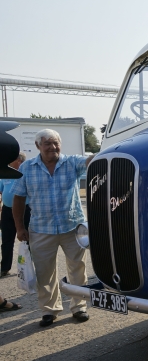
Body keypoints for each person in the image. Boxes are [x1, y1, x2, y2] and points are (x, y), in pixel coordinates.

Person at [12, 129, 94, 327]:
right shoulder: (27, 168)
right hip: (40, 229)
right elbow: (18, 199)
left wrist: (102, 156)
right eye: (47, 143)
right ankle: (50, 310)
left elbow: (90, 161)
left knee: (78, 269)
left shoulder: (71, 162)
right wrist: (19, 228)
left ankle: (79, 307)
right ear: (38, 146)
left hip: (72, 227)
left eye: (56, 142)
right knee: (44, 272)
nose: (53, 147)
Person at [0, 152, 31, 276]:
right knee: (7, 240)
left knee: (28, 239)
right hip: (7, 210)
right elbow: (1, 191)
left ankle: (30, 267)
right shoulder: (5, 175)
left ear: (18, 160)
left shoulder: (26, 174)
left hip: (25, 210)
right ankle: (4, 268)